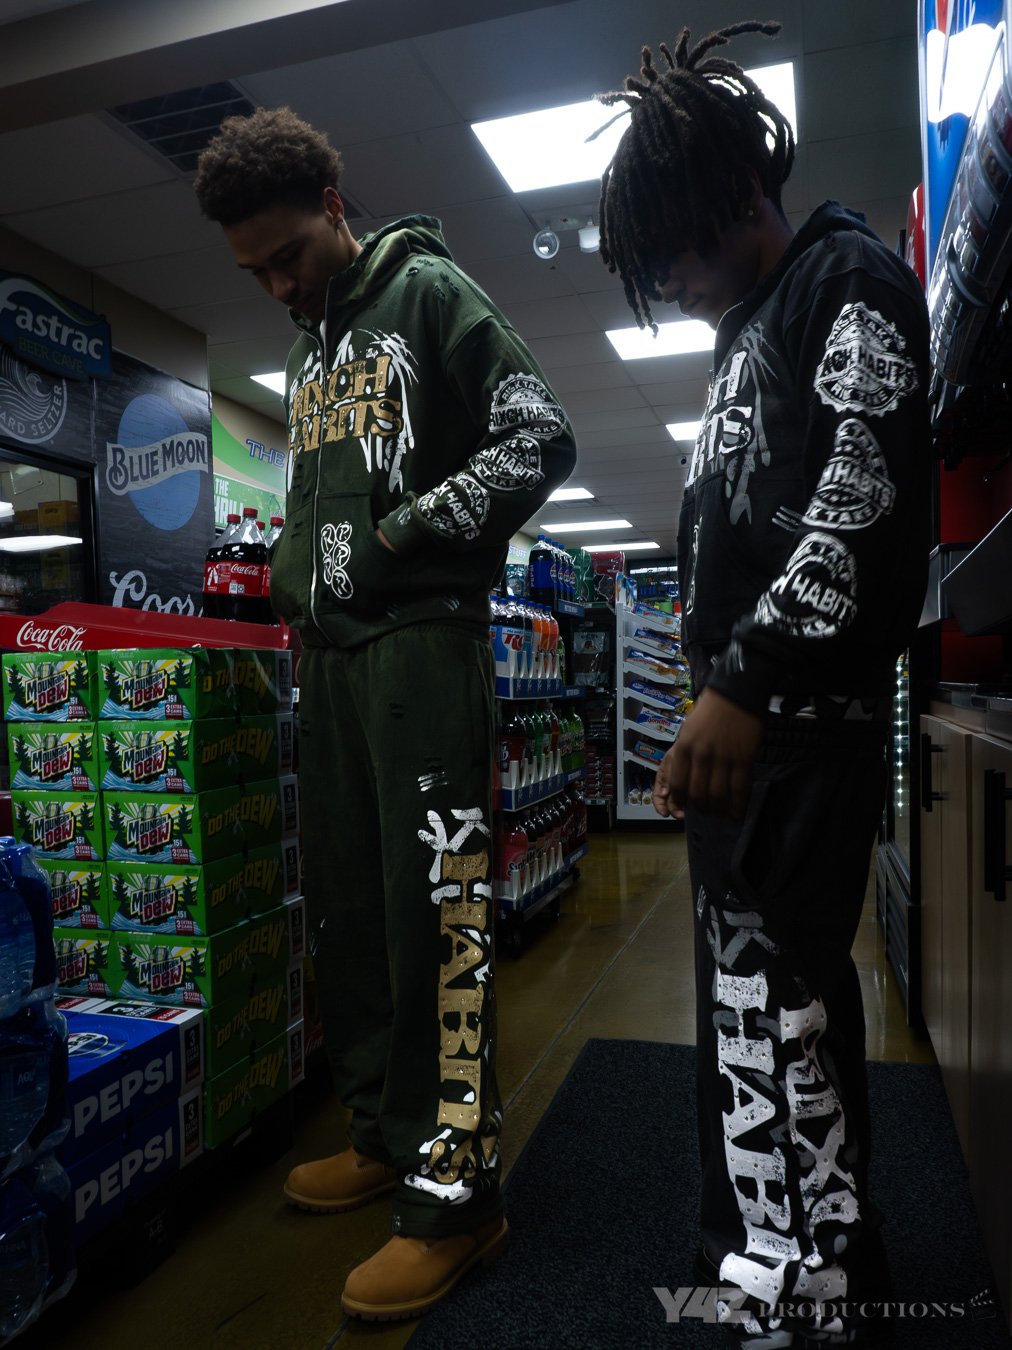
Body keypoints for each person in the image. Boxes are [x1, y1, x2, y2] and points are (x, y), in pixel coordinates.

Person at [193, 107, 576, 1321]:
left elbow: (537, 437)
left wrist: (402, 538)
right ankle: (383, 1134)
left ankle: (456, 1198)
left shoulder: (428, 292)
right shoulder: (310, 349)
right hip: (338, 663)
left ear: (334, 209)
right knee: (353, 917)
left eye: (287, 254)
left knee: (441, 926)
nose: (275, 282)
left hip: (422, 650)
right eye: (252, 269)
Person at [596, 20, 929, 1349]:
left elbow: (862, 505)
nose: (664, 284)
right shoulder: (751, 322)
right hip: (749, 732)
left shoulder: (846, 280)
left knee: (786, 1013)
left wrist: (740, 682)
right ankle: (759, 1252)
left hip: (800, 729)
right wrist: (705, 704)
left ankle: (819, 1287)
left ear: (731, 195)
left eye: (665, 254)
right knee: (747, 1006)